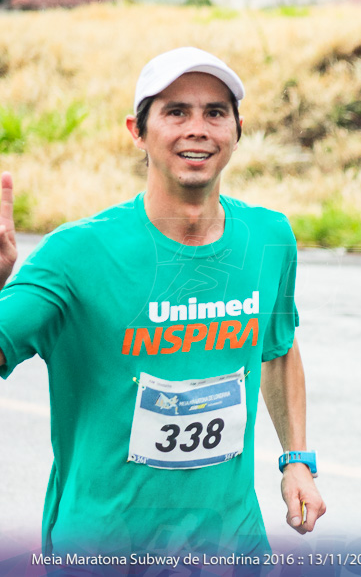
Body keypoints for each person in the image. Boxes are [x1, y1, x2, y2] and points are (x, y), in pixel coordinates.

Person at [0, 47, 325, 558]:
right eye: (176, 112)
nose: (198, 128)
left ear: (237, 131)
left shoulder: (269, 237)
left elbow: (278, 349)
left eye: (215, 113)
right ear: (137, 130)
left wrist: (298, 460)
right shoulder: (76, 253)